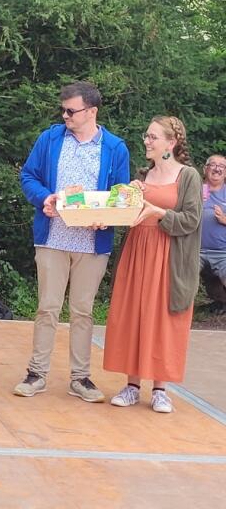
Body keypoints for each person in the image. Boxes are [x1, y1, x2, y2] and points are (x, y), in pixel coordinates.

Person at [14, 81, 130, 403]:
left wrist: (108, 216)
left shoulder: (115, 148)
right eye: (63, 110)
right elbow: (28, 176)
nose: (64, 115)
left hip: (92, 244)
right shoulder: (50, 138)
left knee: (83, 311)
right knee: (47, 307)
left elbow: (121, 194)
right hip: (52, 237)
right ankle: (36, 373)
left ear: (91, 112)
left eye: (71, 111)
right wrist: (44, 198)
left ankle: (80, 378)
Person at [104, 116, 202, 413]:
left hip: (168, 255)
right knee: (133, 313)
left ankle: (160, 390)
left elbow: (192, 220)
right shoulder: (143, 176)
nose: (146, 141)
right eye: (146, 136)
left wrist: (157, 212)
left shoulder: (188, 176)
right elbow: (127, 217)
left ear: (171, 143)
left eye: (153, 137)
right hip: (137, 251)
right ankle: (132, 386)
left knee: (163, 320)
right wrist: (125, 198)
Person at [200, 154, 226, 303]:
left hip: (223, 252)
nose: (217, 169)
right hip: (195, 251)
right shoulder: (196, 190)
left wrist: (224, 219)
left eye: (221, 166)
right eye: (213, 165)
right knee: (183, 279)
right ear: (205, 169)